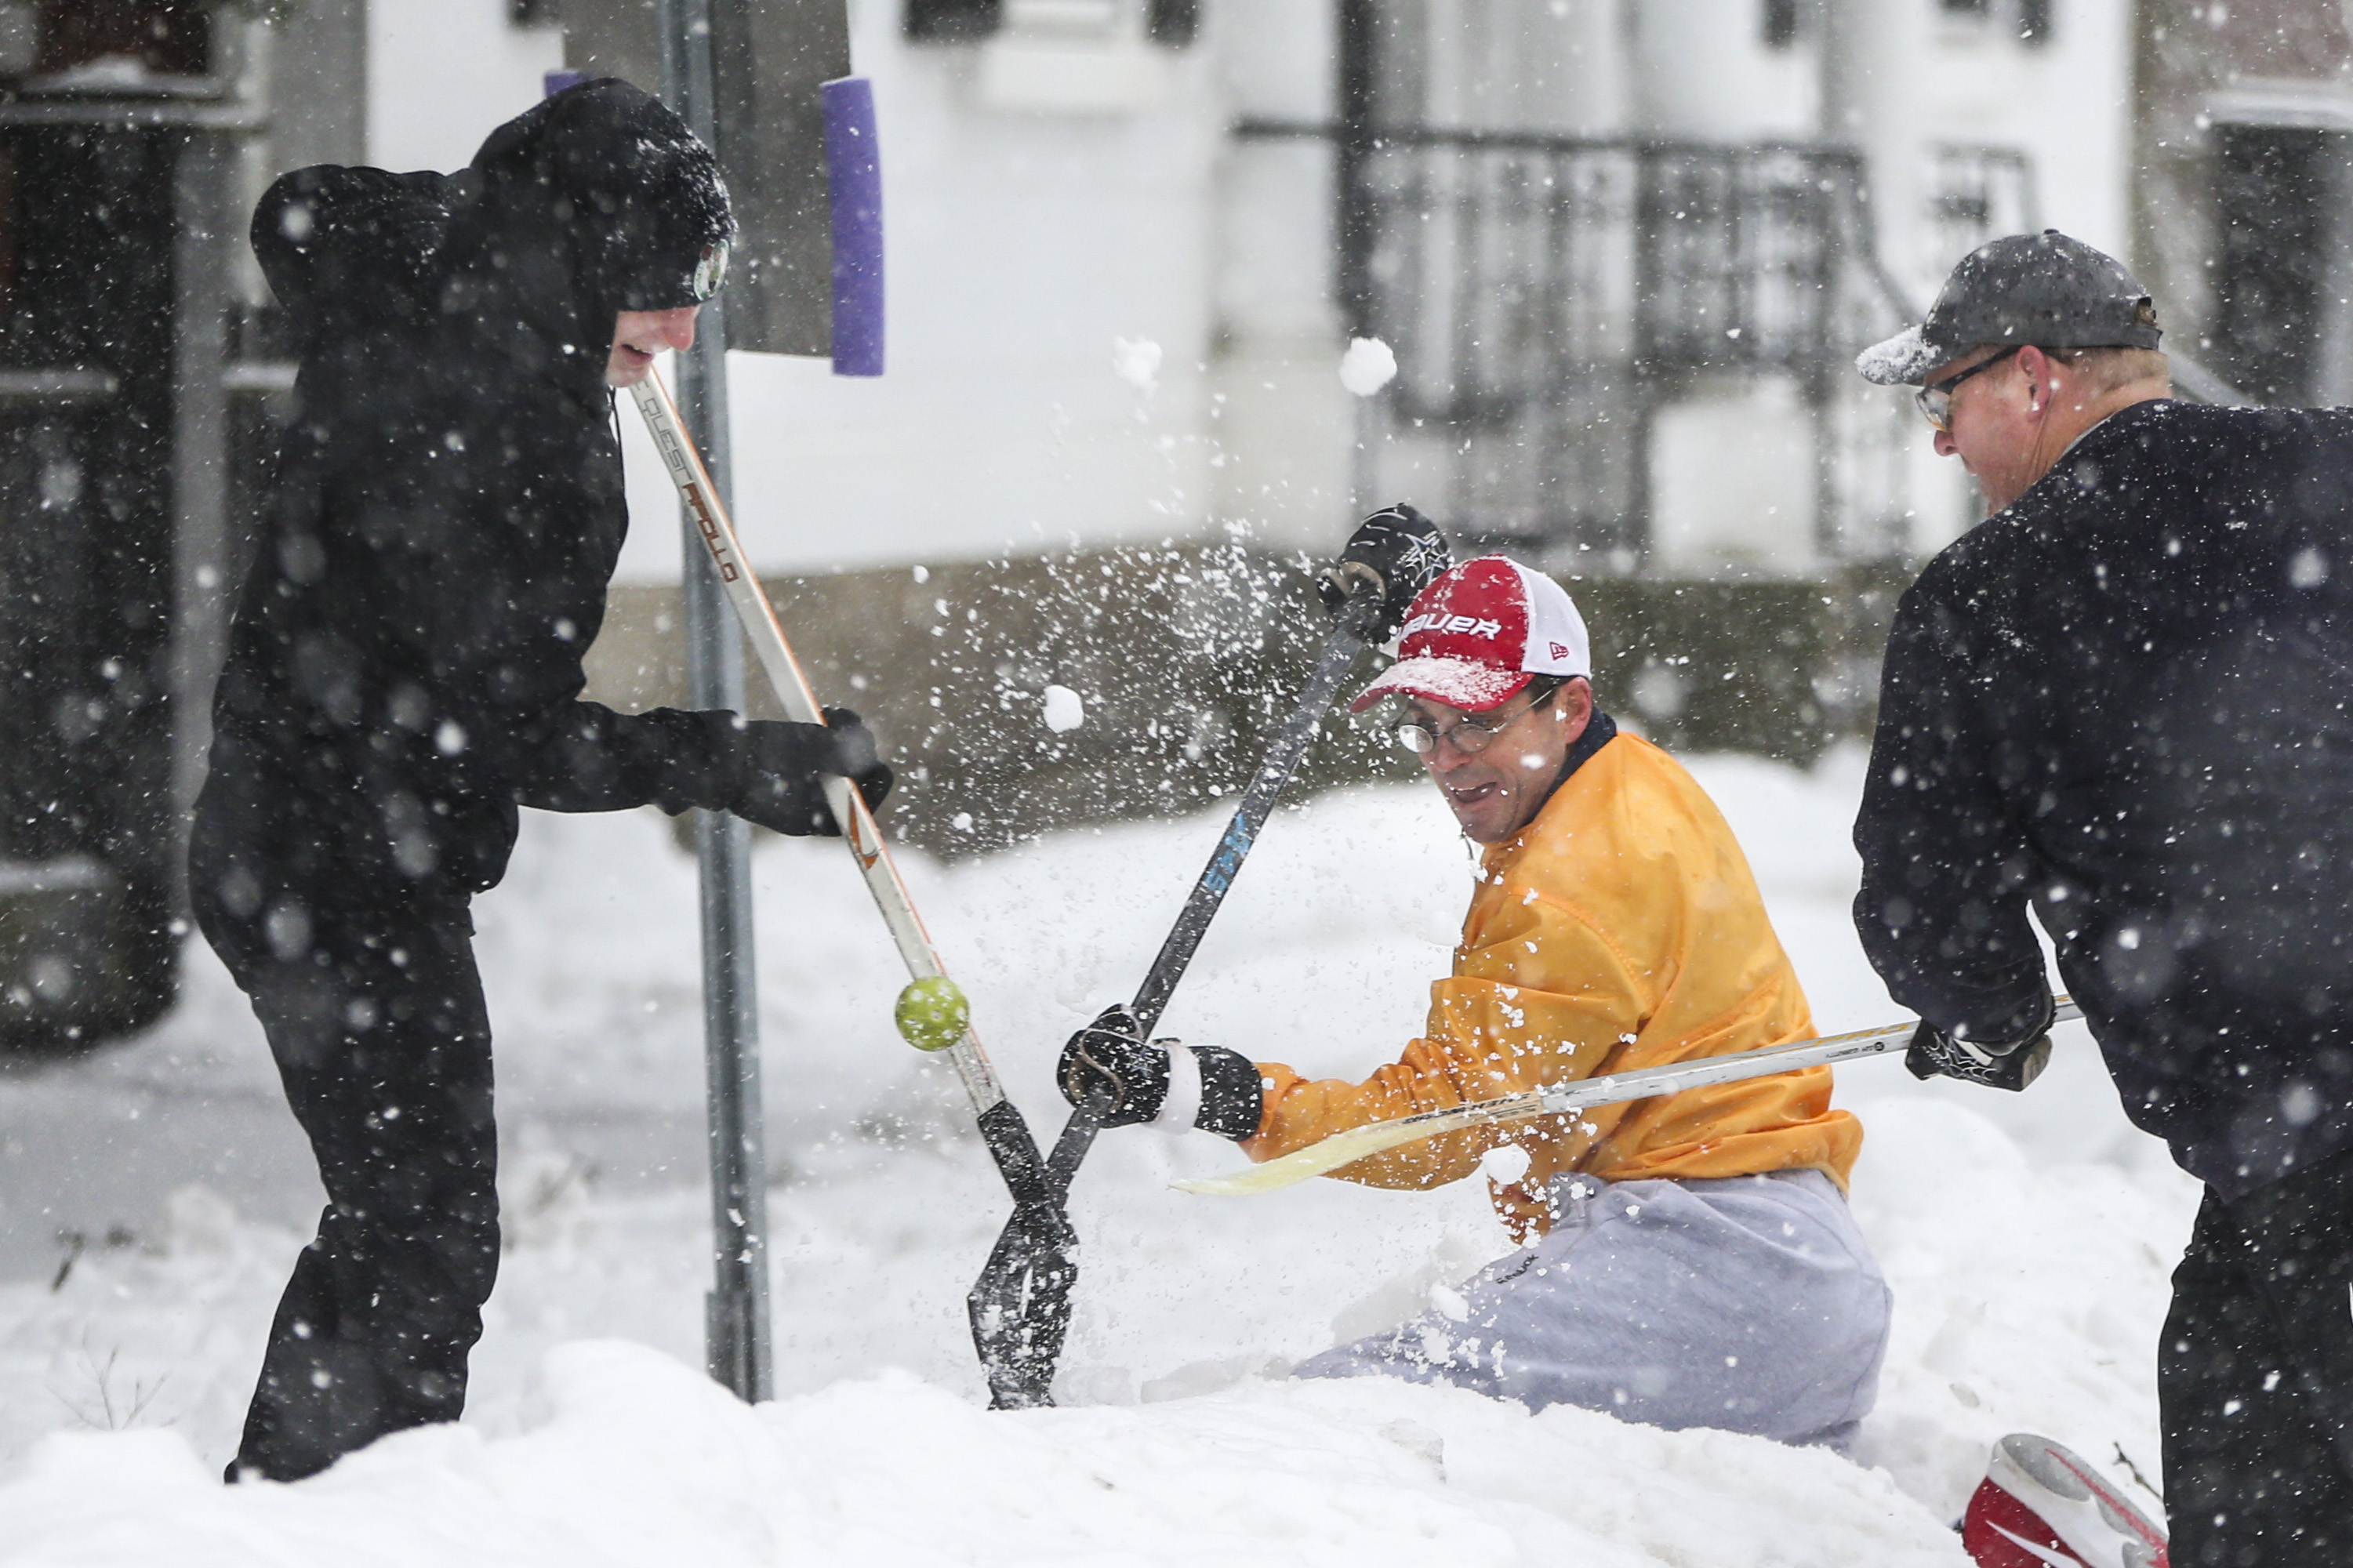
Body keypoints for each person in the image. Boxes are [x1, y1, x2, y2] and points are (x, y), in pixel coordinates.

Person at [190, 80, 891, 1483]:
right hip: (342, 859)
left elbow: (299, 207)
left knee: (403, 1220)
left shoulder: (406, 275)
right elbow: (502, 732)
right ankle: (319, 1516)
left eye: (699, 285)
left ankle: (297, 1509)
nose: (686, 329)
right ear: (578, 260)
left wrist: (499, 235)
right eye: (658, 288)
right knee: (423, 1238)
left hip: (296, 830)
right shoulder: (509, 440)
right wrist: (737, 764)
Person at [1057, 554, 1888, 1445]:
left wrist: (1212, 1090)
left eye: (1480, 721)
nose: (1449, 758)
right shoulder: (1622, 775)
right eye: (1427, 725)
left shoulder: (1568, 889)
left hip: (1709, 1276)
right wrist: (1431, 593)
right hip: (1785, 1276)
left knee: (1330, 1429)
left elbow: (1435, 1126)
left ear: (1568, 705)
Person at [1851, 229, 2353, 1566]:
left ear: (2028, 377)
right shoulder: (2333, 465)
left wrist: (1990, 1014)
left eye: (1942, 399)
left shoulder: (1981, 600)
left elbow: (1922, 898)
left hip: (2301, 1150)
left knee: (2265, 1442)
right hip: (2292, 1150)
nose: (1944, 445)